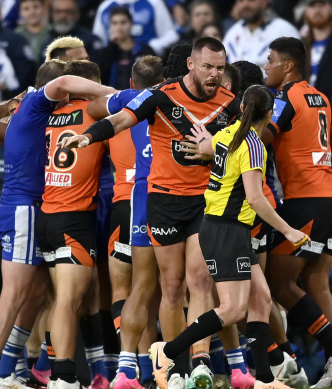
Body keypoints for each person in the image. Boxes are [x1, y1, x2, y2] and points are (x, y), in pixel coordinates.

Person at [59, 37, 242, 389]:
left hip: (206, 202)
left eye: (220, 68)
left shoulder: (230, 104)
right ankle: (173, 369)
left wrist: (213, 151)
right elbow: (120, 119)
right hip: (162, 201)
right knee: (171, 286)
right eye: (208, 67)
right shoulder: (161, 94)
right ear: (191, 64)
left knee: (199, 280)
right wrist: (86, 139)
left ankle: (200, 362)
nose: (215, 75)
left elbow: (248, 146)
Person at [148, 84, 309, 389]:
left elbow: (209, 149)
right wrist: (288, 230)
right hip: (226, 229)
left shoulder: (230, 133)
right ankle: (166, 352)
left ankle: (262, 379)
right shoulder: (253, 145)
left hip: (223, 226)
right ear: (270, 113)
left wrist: (202, 141)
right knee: (233, 310)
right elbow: (255, 198)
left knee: (261, 299)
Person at [0, 60, 115, 389]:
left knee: (39, 293)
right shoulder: (66, 105)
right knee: (30, 296)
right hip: (44, 211)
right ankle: (52, 374)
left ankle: (19, 368)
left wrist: (8, 106)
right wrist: (119, 92)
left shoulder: (33, 111)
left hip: (42, 210)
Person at [262, 37, 332, 388]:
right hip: (331, 196)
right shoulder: (320, 96)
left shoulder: (284, 98)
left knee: (278, 282)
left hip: (305, 198)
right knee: (318, 284)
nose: (266, 66)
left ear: (288, 66)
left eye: (271, 60)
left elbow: (261, 137)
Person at [36, 60, 114, 389]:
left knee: (61, 300)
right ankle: (64, 377)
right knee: (69, 301)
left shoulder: (47, 113)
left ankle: (56, 370)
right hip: (74, 219)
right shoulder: (95, 110)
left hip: (47, 216)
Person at [87, 55, 164, 389]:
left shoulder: (117, 114)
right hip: (160, 204)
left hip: (123, 206)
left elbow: (93, 115)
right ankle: (154, 370)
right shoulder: (169, 111)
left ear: (132, 84)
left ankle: (128, 362)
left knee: (123, 290)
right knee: (157, 291)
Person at [222, 0, 299, 70]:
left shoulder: (285, 30)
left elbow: (294, 70)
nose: (245, 4)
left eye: (251, 0)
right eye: (241, 1)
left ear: (264, 2)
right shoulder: (233, 32)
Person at [92, 6, 154, 89]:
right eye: (115, 23)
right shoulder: (103, 53)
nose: (119, 27)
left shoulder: (145, 50)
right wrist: (112, 46)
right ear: (110, 26)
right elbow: (98, 78)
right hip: (112, 98)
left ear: (131, 24)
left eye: (123, 22)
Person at [92, 0, 178, 56]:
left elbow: (171, 35)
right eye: (115, 23)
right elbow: (97, 41)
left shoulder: (154, 3)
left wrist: (151, 48)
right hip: (113, 60)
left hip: (147, 58)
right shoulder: (104, 7)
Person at [14, 0, 53, 66]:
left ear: (43, 9)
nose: (32, 12)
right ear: (20, 12)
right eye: (26, 8)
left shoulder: (53, 32)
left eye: (36, 7)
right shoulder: (15, 35)